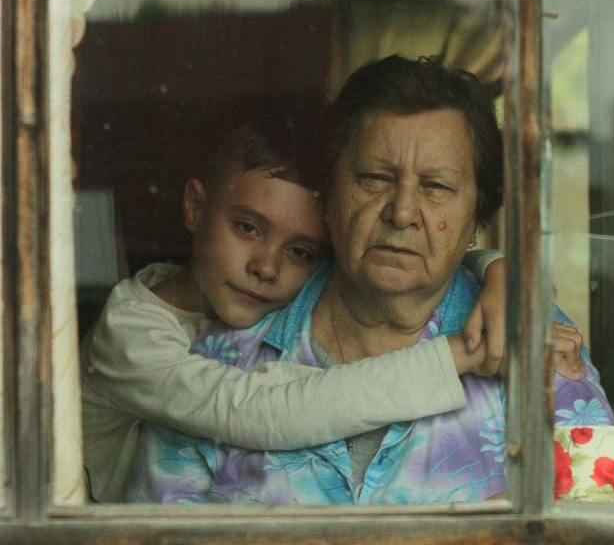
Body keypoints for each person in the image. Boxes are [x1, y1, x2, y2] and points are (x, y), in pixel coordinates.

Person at [127, 56, 614, 505]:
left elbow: (600, 536)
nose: (401, 212)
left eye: (436, 187)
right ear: (330, 194)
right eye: (375, 178)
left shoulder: (531, 336)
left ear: (477, 217)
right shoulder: (224, 358)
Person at [81, 118, 509, 503]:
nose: (266, 267)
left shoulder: (228, 302)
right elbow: (266, 411)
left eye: (301, 252)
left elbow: (412, 253)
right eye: (247, 228)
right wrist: (457, 354)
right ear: (195, 207)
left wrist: (498, 271)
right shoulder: (131, 333)